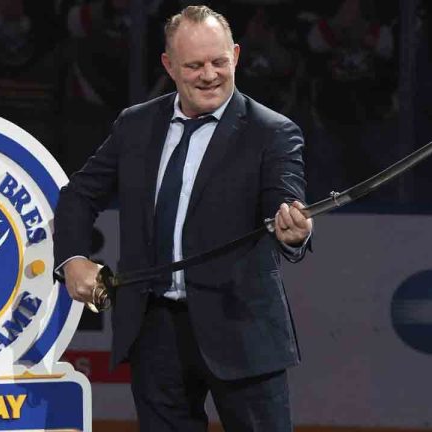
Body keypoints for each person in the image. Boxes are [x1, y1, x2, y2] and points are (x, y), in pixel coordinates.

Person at [54, 5, 312, 431]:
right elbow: (79, 195)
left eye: (219, 62)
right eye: (194, 65)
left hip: (241, 329)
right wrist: (74, 259)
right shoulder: (135, 125)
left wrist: (294, 231)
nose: (209, 75)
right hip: (154, 331)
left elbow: (287, 203)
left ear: (236, 56)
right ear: (168, 66)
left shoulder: (272, 131)